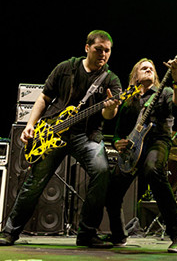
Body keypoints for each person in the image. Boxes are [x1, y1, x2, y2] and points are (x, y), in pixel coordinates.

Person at [0, 30, 122, 248]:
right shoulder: (66, 68)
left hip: (86, 135)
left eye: (107, 50)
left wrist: (111, 108)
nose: (103, 54)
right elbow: (44, 98)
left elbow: (108, 115)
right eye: (98, 49)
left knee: (102, 171)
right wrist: (30, 125)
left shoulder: (111, 80)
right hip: (53, 131)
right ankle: (9, 232)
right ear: (87, 48)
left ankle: (86, 233)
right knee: (34, 183)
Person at [106, 58, 177, 253]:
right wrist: (117, 142)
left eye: (152, 68)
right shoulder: (129, 99)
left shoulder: (165, 92)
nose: (148, 70)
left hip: (157, 141)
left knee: (153, 171)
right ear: (135, 75)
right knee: (112, 190)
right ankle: (118, 235)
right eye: (144, 68)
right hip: (132, 148)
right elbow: (119, 131)